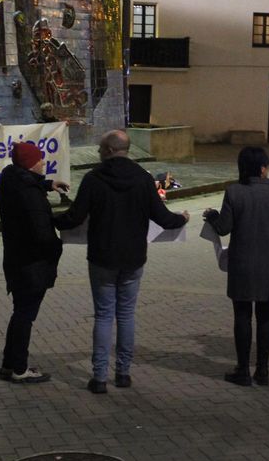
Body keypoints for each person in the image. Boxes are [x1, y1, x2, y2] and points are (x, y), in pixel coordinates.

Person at [54, 130, 189, 394]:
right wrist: (182, 219)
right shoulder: (142, 178)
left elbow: (74, 216)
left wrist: (48, 220)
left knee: (104, 316)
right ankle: (124, 373)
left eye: (100, 148)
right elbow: (162, 217)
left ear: (108, 149)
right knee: (126, 315)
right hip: (133, 258)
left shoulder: (94, 178)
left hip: (103, 257)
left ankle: (100, 377)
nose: (97, 152)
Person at [203, 147, 269, 386]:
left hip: (242, 262)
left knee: (242, 316)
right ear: (263, 168)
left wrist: (213, 216)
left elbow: (224, 227)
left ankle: (243, 369)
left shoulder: (234, 192)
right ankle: (263, 371)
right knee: (266, 315)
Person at [0, 142, 69, 384]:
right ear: (29, 164)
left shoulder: (13, 180)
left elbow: (27, 181)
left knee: (20, 313)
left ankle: (9, 364)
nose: (43, 163)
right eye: (39, 160)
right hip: (32, 263)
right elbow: (42, 232)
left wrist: (48, 184)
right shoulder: (29, 195)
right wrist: (58, 245)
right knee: (25, 316)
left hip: (17, 260)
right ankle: (19, 368)